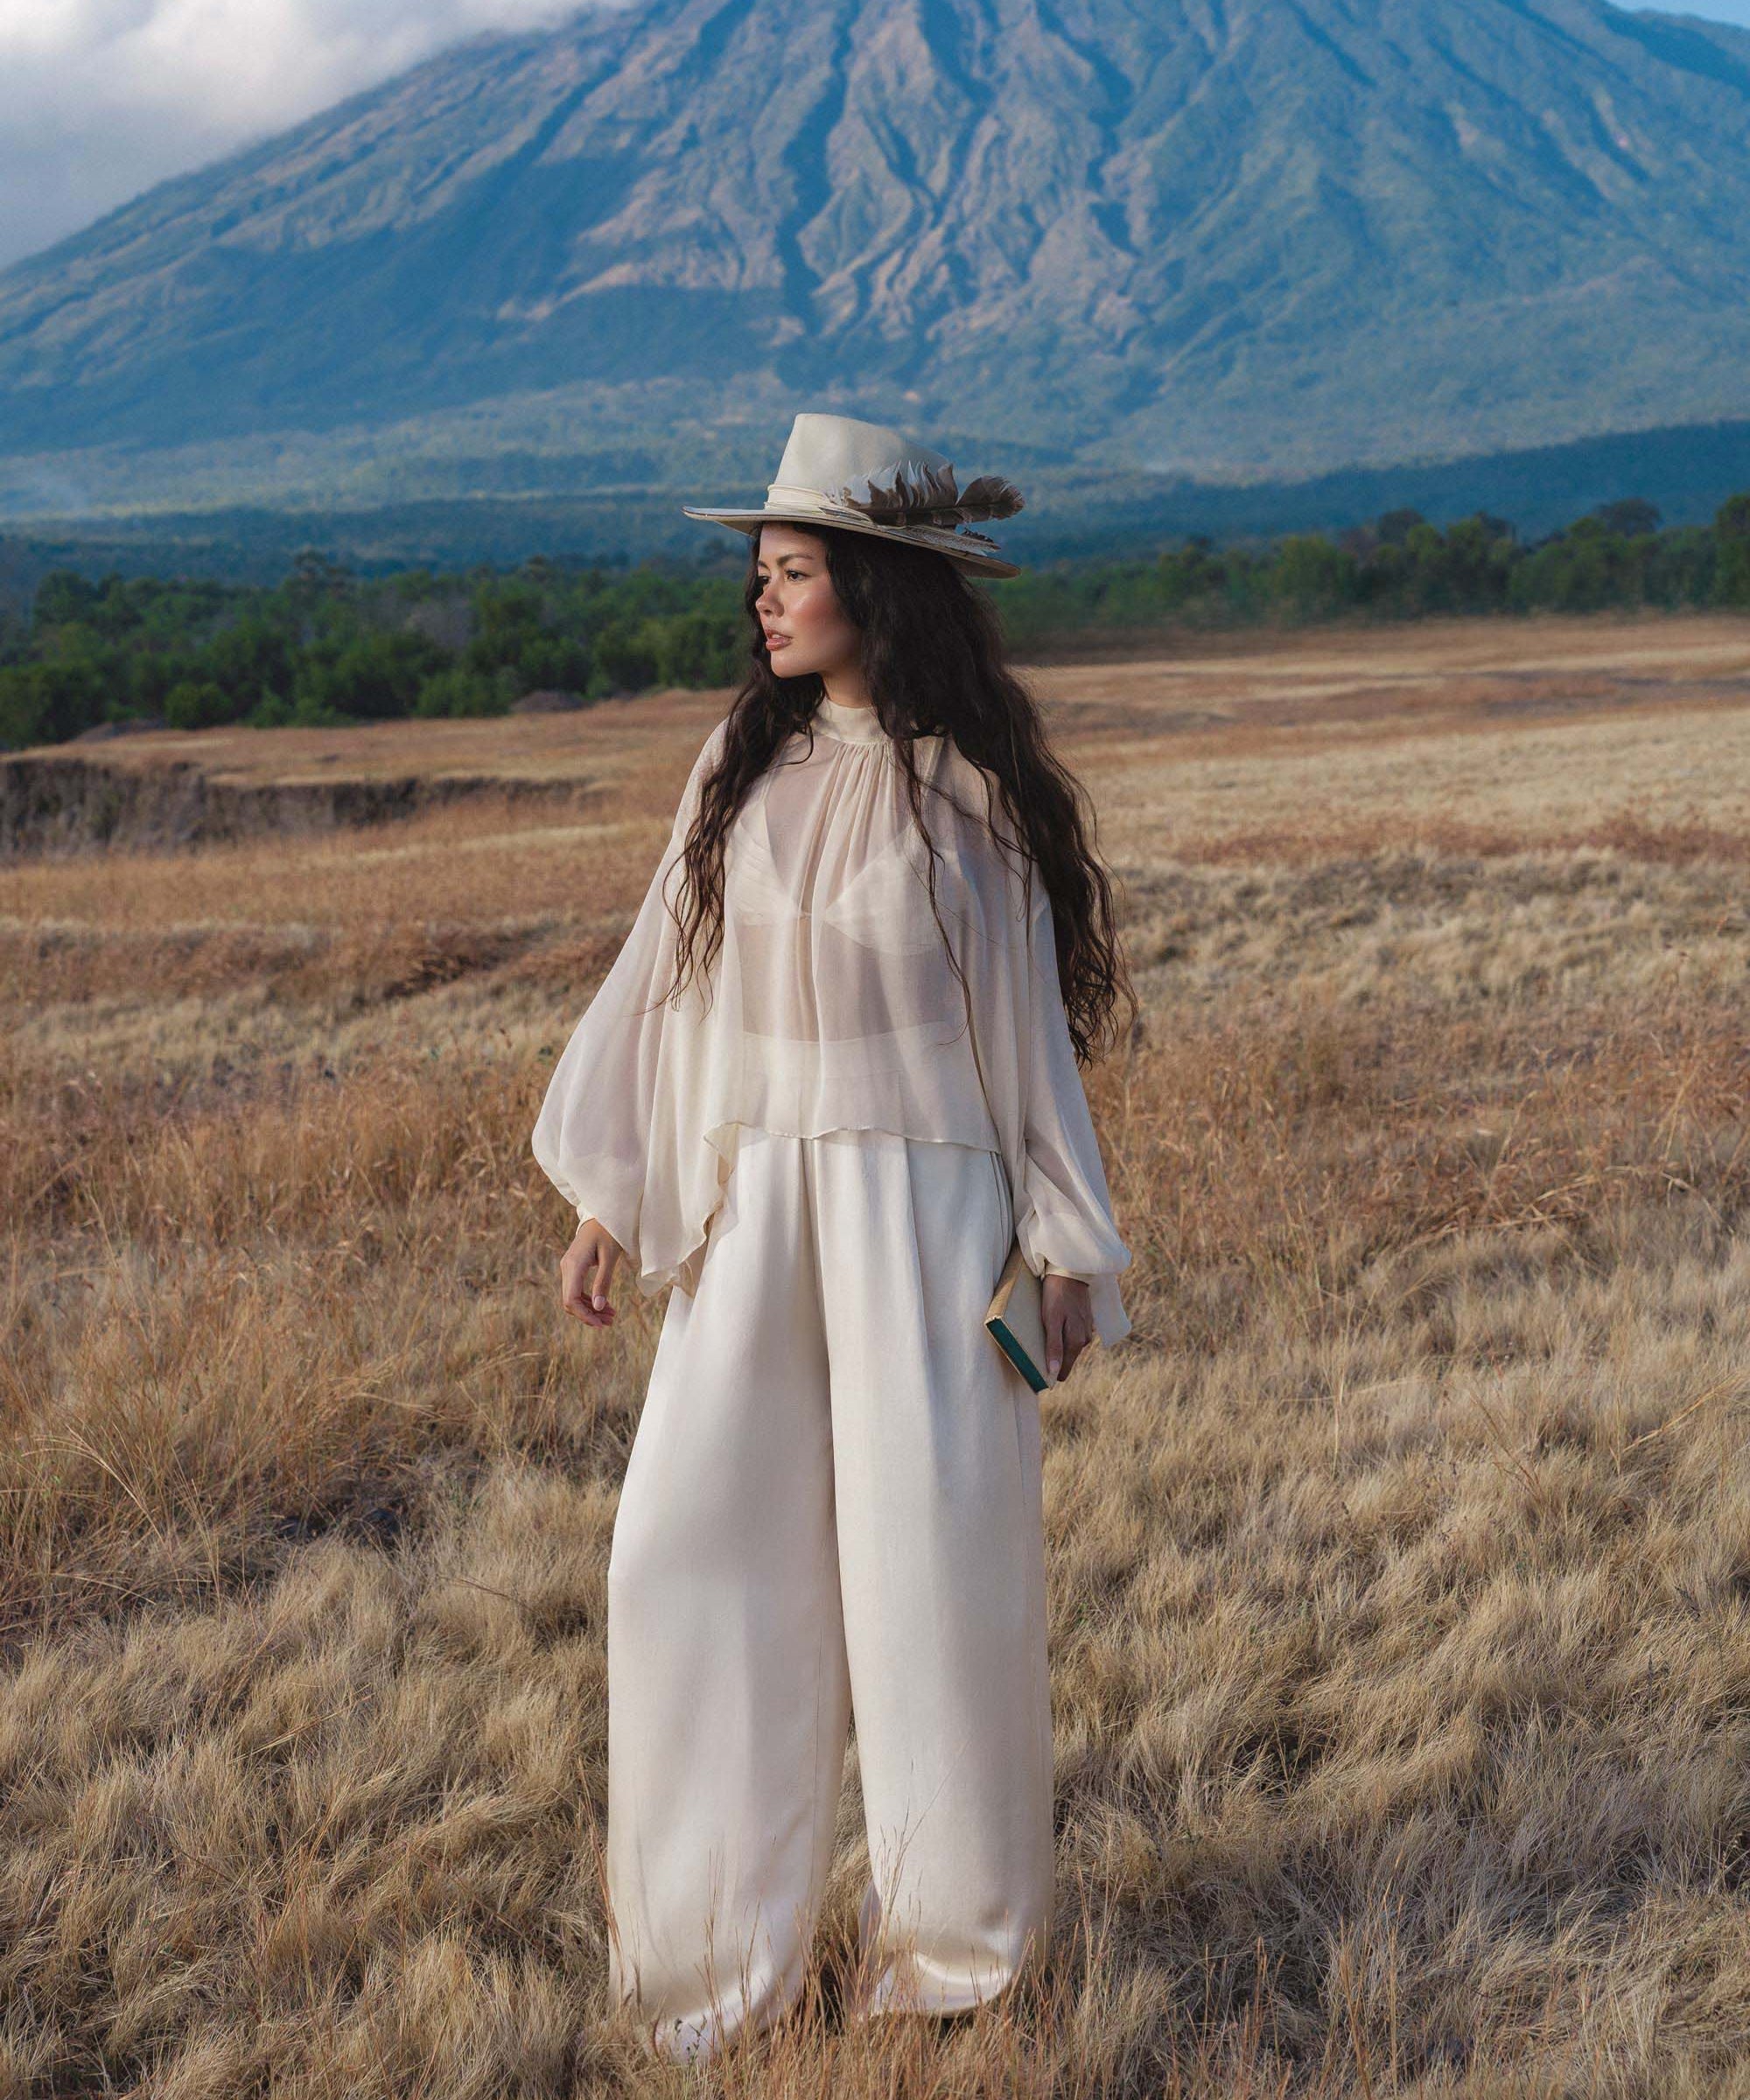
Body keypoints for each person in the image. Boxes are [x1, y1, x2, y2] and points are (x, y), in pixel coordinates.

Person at [531, 410, 1137, 2063]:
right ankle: (711, 1966)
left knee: (936, 1586)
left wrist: (1067, 1254)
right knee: (685, 1556)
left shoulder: (972, 806)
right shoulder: (738, 775)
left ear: (876, 588)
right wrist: (610, 1200)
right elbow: (660, 997)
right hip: (750, 1219)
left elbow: (1028, 1052)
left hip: (931, 1231)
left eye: (792, 573)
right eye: (760, 576)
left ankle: (955, 1960)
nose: (764, 604)